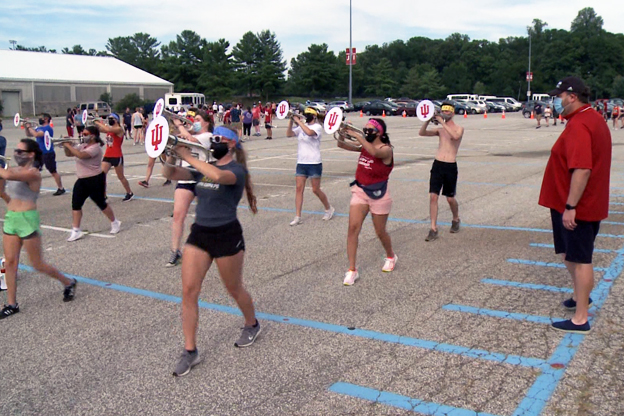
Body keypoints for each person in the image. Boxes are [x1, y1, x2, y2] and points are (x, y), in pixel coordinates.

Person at [163, 126, 259, 377]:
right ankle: (190, 350)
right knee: (188, 291)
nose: (214, 142)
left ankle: (252, 324)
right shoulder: (200, 169)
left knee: (234, 288)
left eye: (220, 139)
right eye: (213, 138)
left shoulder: (236, 170)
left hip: (227, 235)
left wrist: (189, 155)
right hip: (200, 234)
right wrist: (168, 153)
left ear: (232, 145)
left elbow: (217, 177)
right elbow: (171, 173)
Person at [540, 77, 611, 334]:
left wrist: (571, 206)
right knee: (569, 254)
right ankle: (581, 296)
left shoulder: (581, 124)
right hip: (570, 202)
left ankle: (580, 318)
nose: (556, 101)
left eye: (559, 96)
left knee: (580, 259)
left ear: (572, 97)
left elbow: (582, 169)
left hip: (578, 206)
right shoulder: (589, 119)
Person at [0, 138, 77, 319]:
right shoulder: (11, 170)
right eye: (16, 150)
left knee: (37, 264)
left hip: (28, 219)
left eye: (21, 151)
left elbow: (9, 176)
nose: (17, 154)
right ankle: (12, 304)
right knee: (10, 263)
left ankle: (68, 282)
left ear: (31, 154)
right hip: (12, 218)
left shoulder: (34, 173)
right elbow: (3, 191)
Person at [338, 118, 397, 285]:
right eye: (365, 129)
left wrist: (358, 136)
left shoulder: (386, 150)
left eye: (370, 130)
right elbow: (341, 145)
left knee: (380, 231)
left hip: (379, 194)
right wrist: (342, 133)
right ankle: (351, 269)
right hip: (361, 191)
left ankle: (391, 255)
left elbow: (375, 153)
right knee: (353, 228)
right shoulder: (364, 146)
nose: (366, 132)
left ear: (380, 133)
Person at [165, 109, 213, 267]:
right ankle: (175, 250)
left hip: (203, 176)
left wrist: (179, 125)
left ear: (206, 122)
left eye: (198, 119)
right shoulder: (187, 135)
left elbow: (190, 139)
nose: (195, 122)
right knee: (178, 215)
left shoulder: (208, 136)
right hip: (187, 177)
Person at [62, 126, 121, 242]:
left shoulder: (95, 148)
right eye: (82, 134)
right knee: (76, 204)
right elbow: (69, 154)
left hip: (95, 179)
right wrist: (66, 145)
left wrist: (68, 145)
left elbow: (81, 155)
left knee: (101, 203)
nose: (82, 136)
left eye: (85, 134)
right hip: (81, 180)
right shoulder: (82, 146)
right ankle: (76, 230)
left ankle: (115, 222)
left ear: (93, 136)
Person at [418, 101, 464, 241]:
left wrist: (441, 122)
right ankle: (433, 228)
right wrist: (427, 121)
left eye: (449, 111)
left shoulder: (458, 128)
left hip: (450, 165)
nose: (446, 113)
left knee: (450, 198)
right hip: (438, 164)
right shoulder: (440, 130)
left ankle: (456, 219)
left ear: (453, 112)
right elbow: (422, 133)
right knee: (433, 196)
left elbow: (455, 137)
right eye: (444, 110)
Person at [286, 108, 335, 226]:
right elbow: (289, 134)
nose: (305, 117)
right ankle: (298, 216)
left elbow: (309, 132)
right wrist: (291, 121)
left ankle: (328, 208)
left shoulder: (317, 127)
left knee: (315, 189)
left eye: (307, 115)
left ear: (313, 116)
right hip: (301, 162)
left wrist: (299, 122)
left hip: (314, 162)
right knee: (299, 188)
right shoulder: (301, 126)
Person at [94, 113, 134, 202]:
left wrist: (98, 122)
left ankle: (129, 193)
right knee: (101, 176)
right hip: (108, 155)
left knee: (121, 176)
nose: (109, 120)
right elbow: (101, 129)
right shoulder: (110, 129)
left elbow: (107, 128)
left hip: (117, 156)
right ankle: (103, 196)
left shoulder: (119, 129)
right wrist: (95, 124)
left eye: (111, 118)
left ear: (116, 120)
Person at [25, 113, 65, 195]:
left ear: (46, 119)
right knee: (34, 170)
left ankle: (61, 188)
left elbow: (37, 134)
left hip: (47, 152)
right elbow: (29, 134)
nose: (39, 119)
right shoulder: (39, 128)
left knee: (53, 171)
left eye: (41, 118)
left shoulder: (48, 128)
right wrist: (26, 127)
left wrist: (29, 127)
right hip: (39, 153)